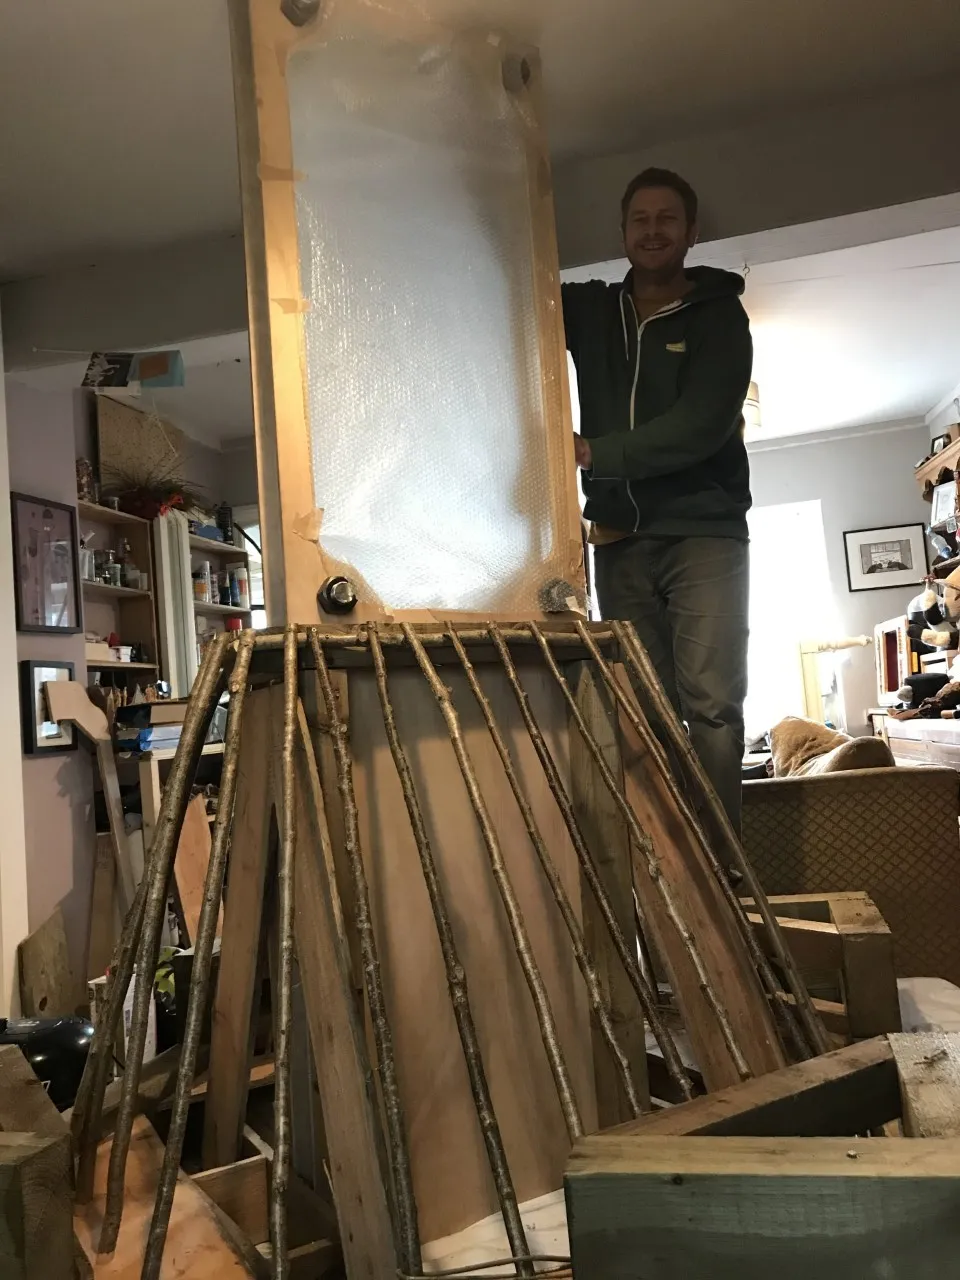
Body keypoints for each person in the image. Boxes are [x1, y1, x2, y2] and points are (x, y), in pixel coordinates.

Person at [562, 167, 753, 832]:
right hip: (619, 538)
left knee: (714, 707)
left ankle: (720, 867)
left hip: (704, 532)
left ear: (691, 232)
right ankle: (662, 857)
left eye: (667, 218)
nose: (653, 230)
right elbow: (511, 299)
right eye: (640, 219)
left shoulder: (721, 319)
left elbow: (701, 427)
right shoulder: (590, 311)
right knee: (641, 706)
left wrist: (595, 452)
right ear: (622, 232)